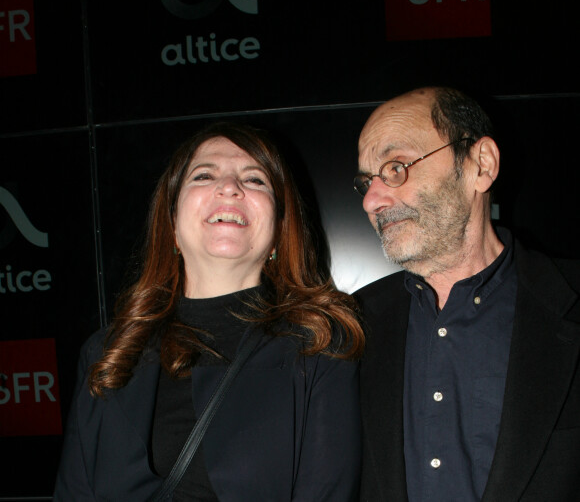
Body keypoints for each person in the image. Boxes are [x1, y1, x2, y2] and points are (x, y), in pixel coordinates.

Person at [54, 122, 364, 501]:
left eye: (255, 180)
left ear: (280, 231)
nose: (230, 187)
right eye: (204, 175)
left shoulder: (321, 348)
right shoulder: (107, 353)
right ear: (170, 224)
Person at [353, 86, 580, 502]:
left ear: (481, 165)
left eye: (396, 167)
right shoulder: (350, 327)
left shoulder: (571, 304)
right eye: (367, 181)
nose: (372, 200)